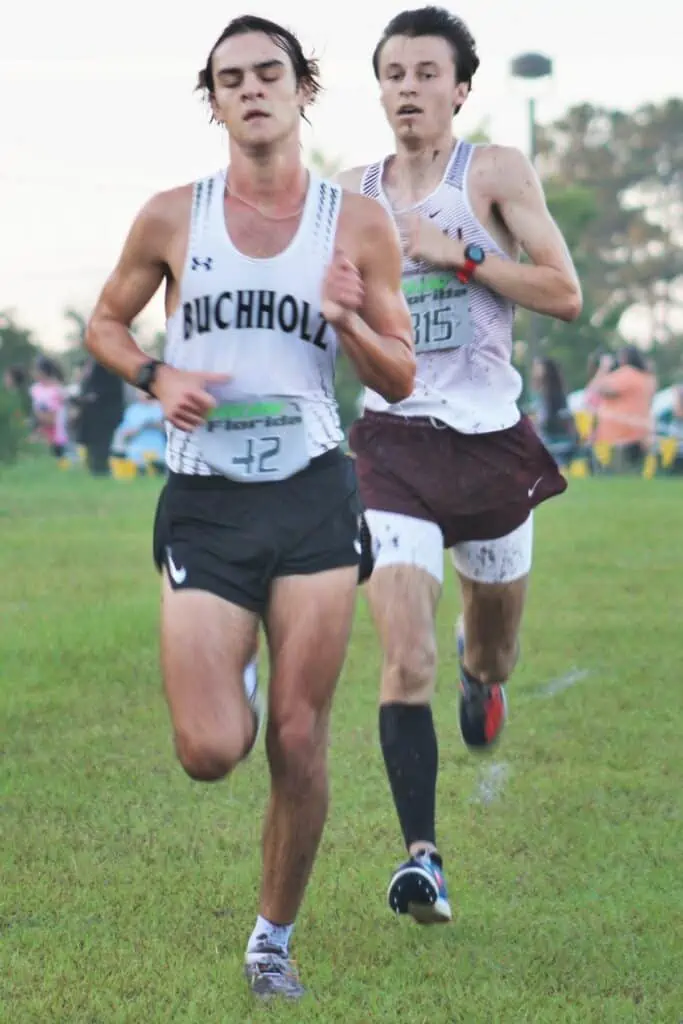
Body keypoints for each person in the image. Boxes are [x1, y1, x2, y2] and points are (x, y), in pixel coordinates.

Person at [85, 15, 414, 1000]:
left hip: (313, 494)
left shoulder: (354, 223)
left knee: (300, 740)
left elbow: (397, 376)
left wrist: (350, 316)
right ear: (215, 100)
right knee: (211, 748)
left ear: (302, 87)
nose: (252, 90)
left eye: (269, 72)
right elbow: (105, 321)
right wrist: (155, 371)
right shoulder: (169, 216)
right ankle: (248, 690)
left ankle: (271, 939)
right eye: (231, 79)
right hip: (207, 503)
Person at [336, 6, 581, 925]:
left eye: (425, 72)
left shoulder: (495, 173)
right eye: (393, 72)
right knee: (404, 659)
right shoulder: (350, 192)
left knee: (490, 649)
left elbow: (563, 292)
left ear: (459, 88)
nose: (407, 87)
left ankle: (486, 685)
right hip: (392, 445)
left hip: (488, 449)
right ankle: (422, 861)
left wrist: (465, 255)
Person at [529, 356, 578, 467]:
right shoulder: (537, 395)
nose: (534, 370)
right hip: (543, 439)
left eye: (538, 367)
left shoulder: (556, 396)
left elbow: (564, 423)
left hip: (555, 441)